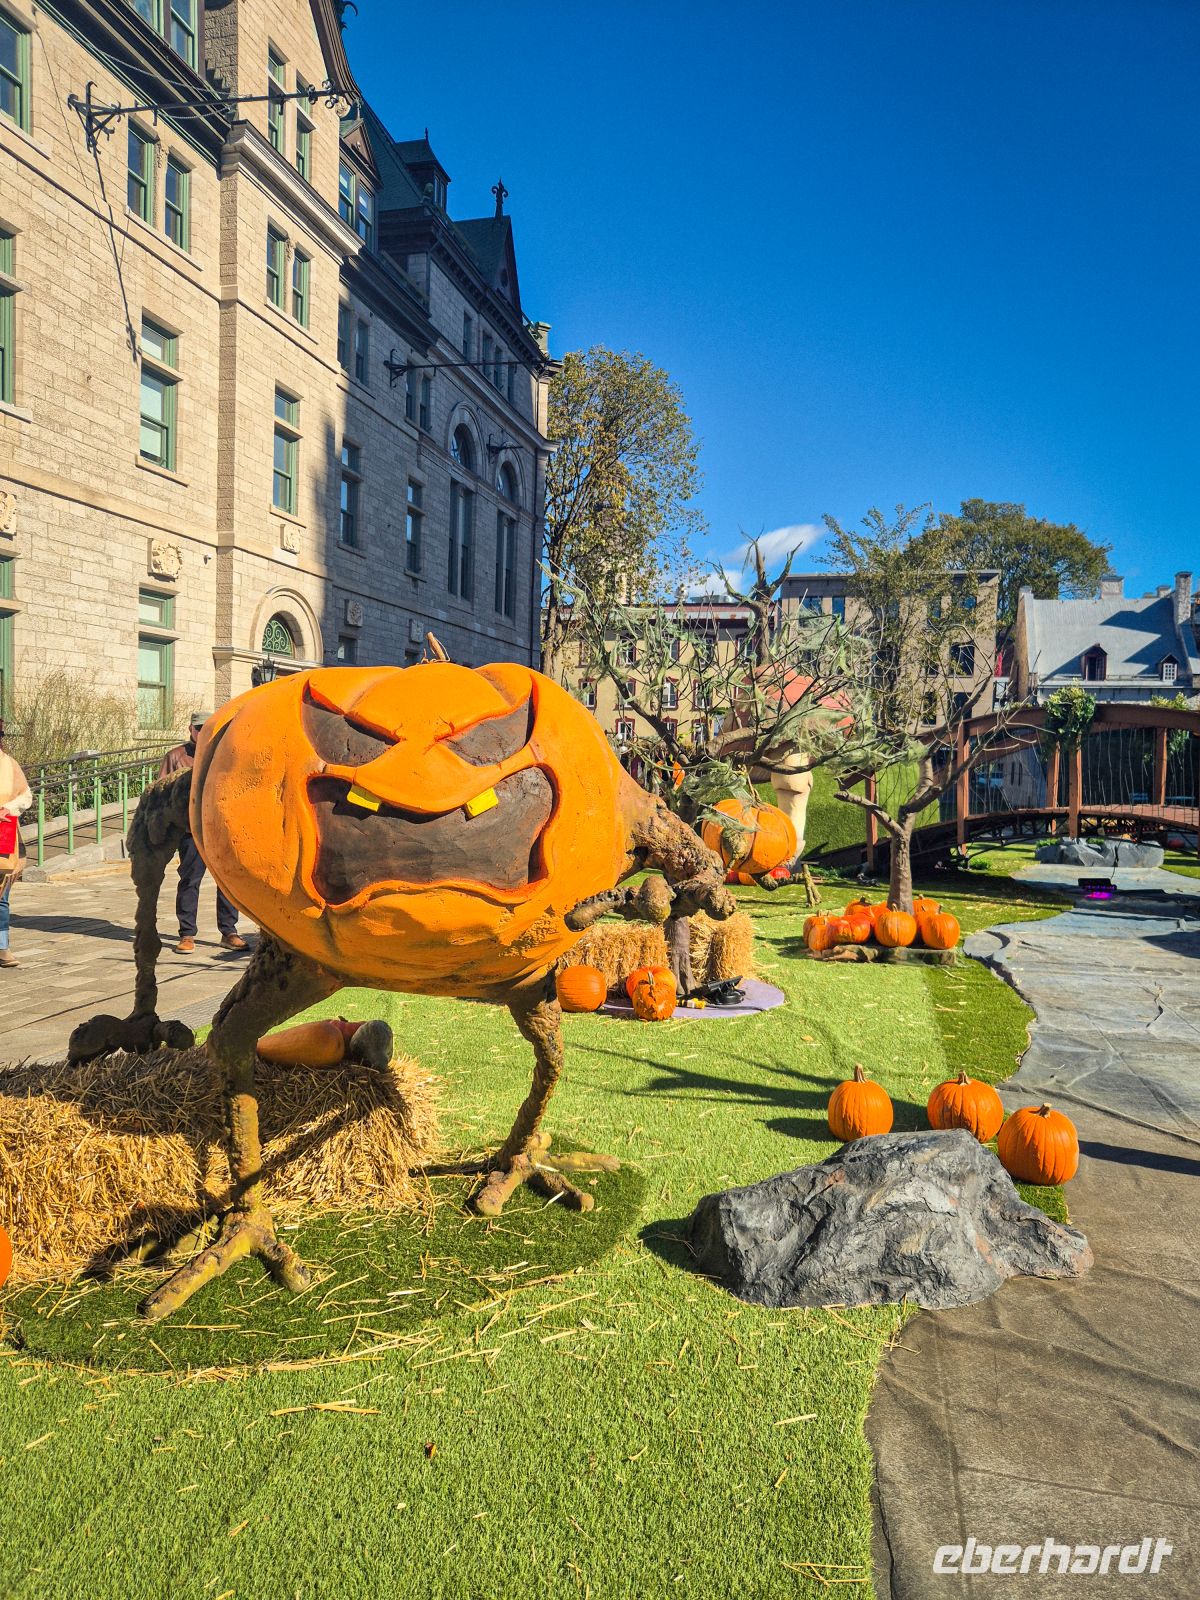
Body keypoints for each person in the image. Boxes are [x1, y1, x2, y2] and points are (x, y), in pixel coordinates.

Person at [160, 712, 248, 955]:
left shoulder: (224, 754)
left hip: (221, 829)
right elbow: (162, 793)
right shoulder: (176, 756)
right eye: (199, 728)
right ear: (190, 729)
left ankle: (229, 932)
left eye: (208, 728)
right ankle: (187, 934)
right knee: (190, 880)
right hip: (190, 830)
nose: (203, 732)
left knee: (227, 882)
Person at [0, 717, 31, 970]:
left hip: (3, 838)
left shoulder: (9, 765)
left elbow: (25, 796)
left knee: (1, 897)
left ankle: (2, 947)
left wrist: (8, 808)